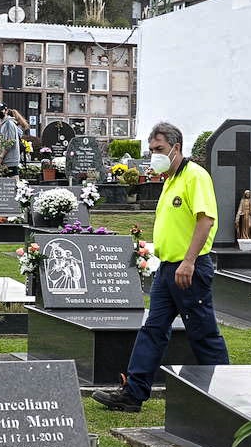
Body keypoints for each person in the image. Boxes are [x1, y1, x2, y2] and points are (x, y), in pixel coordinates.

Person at [93, 121, 229, 413]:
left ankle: (226, 393)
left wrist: (189, 261)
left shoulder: (195, 176)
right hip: (167, 269)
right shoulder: (170, 179)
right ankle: (133, 392)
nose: (154, 154)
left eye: (159, 149)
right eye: (152, 149)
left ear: (176, 148)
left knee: (203, 332)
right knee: (152, 330)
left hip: (189, 269)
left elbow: (206, 220)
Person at [0, 105, 25, 175]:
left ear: (6, 111)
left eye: (0, 110)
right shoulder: (4, 124)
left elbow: (9, 142)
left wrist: (0, 157)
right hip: (7, 159)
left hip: (10, 160)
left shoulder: (9, 123)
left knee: (12, 182)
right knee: (7, 183)